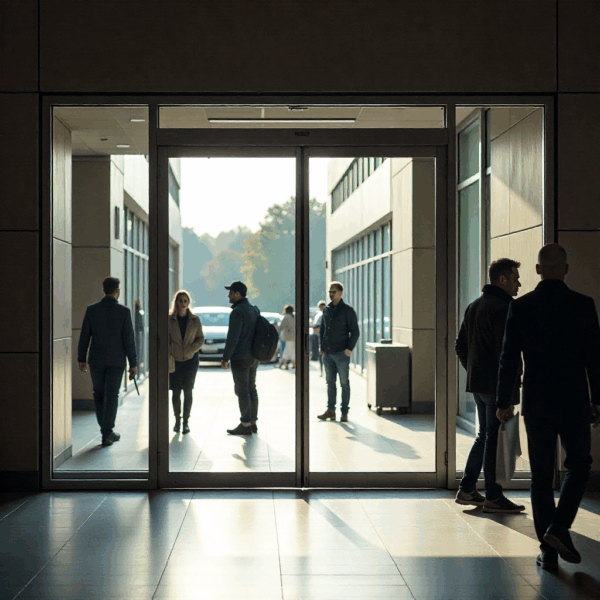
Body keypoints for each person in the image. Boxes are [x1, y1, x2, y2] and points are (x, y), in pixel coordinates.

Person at [497, 244, 600, 569]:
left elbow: (509, 359)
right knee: (579, 465)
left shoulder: (522, 306)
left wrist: (503, 402)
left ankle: (549, 551)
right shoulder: (583, 306)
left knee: (540, 476)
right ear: (565, 269)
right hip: (573, 400)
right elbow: (594, 360)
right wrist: (597, 399)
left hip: (537, 401)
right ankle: (559, 528)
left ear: (538, 271)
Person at [454, 258, 526, 514]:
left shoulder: (475, 306)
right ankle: (494, 497)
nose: (519, 283)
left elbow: (459, 346)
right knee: (494, 441)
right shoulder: (505, 309)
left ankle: (468, 488)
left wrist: (475, 372)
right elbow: (508, 356)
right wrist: (508, 395)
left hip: (480, 386)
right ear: (502, 279)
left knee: (485, 437)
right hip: (497, 388)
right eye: (516, 278)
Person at [77, 277, 137, 446]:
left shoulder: (92, 310)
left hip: (96, 360)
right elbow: (129, 340)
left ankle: (105, 430)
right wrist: (133, 363)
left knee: (99, 393)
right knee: (112, 395)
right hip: (116, 361)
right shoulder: (124, 312)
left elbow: (84, 336)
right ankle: (107, 432)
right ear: (117, 291)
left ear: (104, 290)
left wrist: (81, 358)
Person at [221, 281, 260, 435]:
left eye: (230, 292)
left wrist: (226, 357)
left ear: (237, 294)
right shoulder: (254, 309)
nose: (228, 295)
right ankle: (253, 422)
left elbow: (233, 337)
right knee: (252, 388)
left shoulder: (237, 312)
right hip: (253, 357)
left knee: (242, 390)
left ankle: (245, 424)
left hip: (240, 358)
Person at [318, 282, 360, 423]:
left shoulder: (348, 311)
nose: (331, 294)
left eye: (333, 292)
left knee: (344, 383)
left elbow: (355, 331)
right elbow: (323, 330)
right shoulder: (326, 310)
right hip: (328, 353)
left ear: (340, 293)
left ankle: (344, 412)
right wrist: (321, 347)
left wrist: (349, 349)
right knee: (330, 383)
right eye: (330, 292)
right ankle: (331, 411)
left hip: (341, 353)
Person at [168, 290, 204, 434]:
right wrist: (172, 350)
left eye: (185, 301)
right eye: (180, 300)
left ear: (189, 303)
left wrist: (191, 349)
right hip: (175, 360)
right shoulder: (169, 319)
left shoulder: (195, 319)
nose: (183, 303)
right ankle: (177, 420)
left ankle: (186, 422)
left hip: (190, 360)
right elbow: (165, 339)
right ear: (176, 302)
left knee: (188, 391)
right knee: (176, 392)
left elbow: (200, 339)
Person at [278, 304, 295, 370]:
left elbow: (281, 327)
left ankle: (293, 364)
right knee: (288, 350)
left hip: (288, 337)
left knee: (290, 350)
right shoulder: (294, 316)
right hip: (294, 337)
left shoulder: (286, 317)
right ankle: (284, 364)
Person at [313, 300, 327, 374]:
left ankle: (322, 371)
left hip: (321, 336)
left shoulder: (321, 314)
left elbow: (317, 325)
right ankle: (322, 370)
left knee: (321, 353)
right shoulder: (320, 314)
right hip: (319, 335)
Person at [134, 299, 145, 372]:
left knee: (137, 352)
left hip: (137, 334)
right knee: (138, 352)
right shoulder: (139, 313)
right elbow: (141, 326)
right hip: (138, 335)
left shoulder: (136, 313)